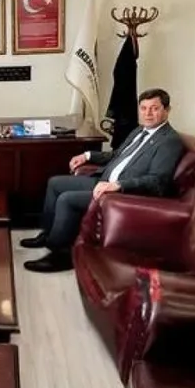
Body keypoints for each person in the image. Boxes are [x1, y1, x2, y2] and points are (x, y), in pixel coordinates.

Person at [21, 88, 185, 273]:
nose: (148, 113)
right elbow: (116, 155)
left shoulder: (169, 141)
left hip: (122, 193)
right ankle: (48, 234)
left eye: (154, 108)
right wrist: (87, 155)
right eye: (143, 108)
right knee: (55, 183)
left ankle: (60, 255)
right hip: (103, 180)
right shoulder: (140, 131)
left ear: (167, 110)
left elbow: (157, 181)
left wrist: (118, 185)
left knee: (67, 199)